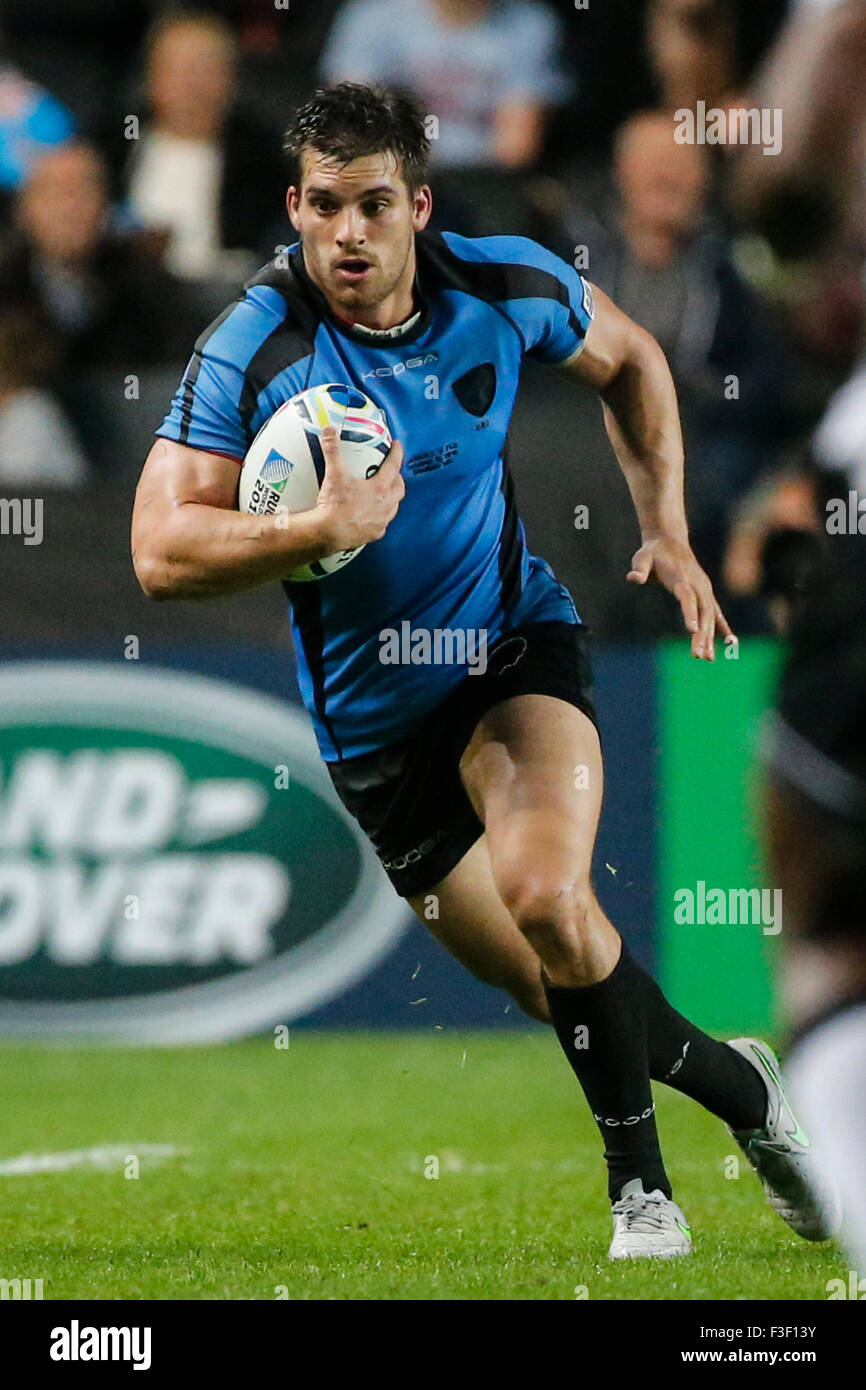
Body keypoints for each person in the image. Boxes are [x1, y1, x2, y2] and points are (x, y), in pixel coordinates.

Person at [132, 83, 836, 1259]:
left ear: (415, 204)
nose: (344, 235)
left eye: (369, 205)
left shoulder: (501, 283)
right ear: (292, 207)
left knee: (550, 897)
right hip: (372, 731)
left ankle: (639, 1197)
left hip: (509, 643)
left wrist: (663, 525)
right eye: (320, 207)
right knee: (547, 979)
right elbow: (159, 552)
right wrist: (305, 532)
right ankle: (748, 1094)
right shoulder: (254, 343)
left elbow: (631, 358)